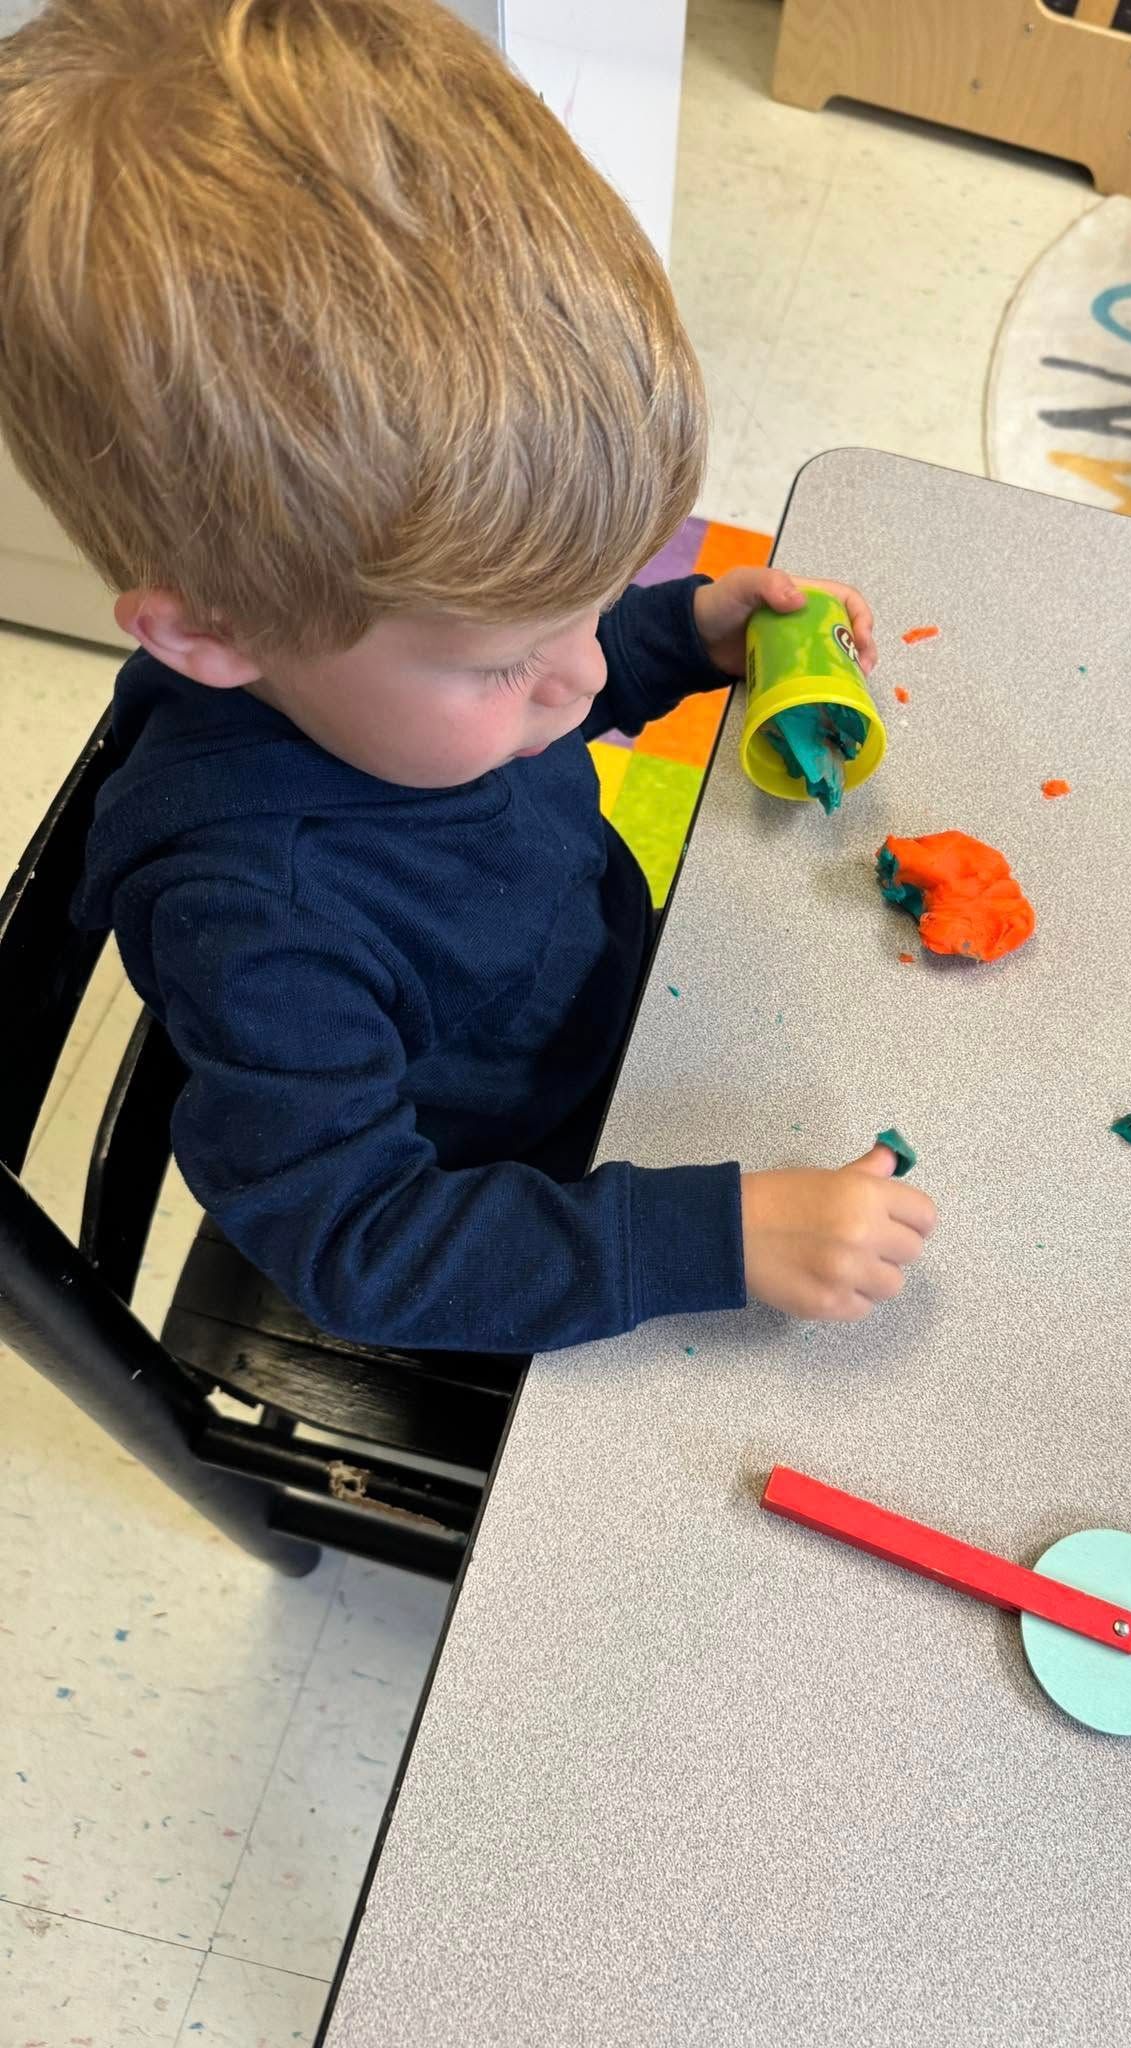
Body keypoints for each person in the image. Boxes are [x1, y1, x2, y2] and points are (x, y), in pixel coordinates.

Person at [0, 0, 936, 1354]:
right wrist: (708, 1240)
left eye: (593, 600)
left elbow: (558, 665)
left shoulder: (384, 663)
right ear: (211, 636)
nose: (574, 682)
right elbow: (368, 1248)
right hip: (519, 1199)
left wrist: (678, 635)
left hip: (611, 1010)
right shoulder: (262, 922)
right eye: (505, 656)